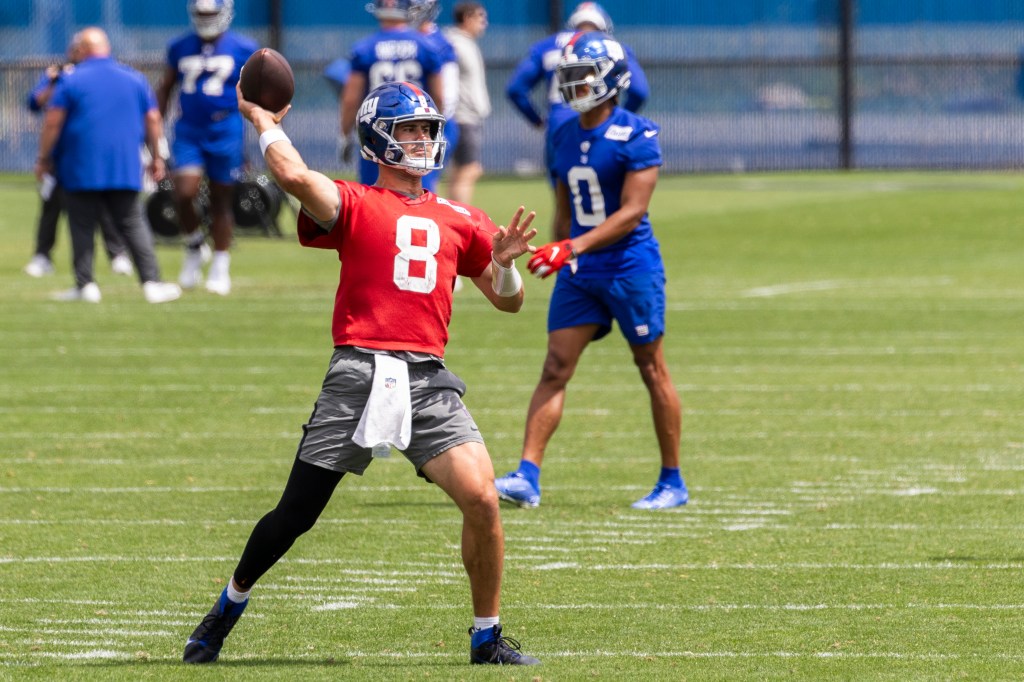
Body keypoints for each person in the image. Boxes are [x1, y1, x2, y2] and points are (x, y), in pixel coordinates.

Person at [182, 80, 540, 666]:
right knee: (295, 515)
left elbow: (510, 302)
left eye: (428, 128)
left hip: (427, 378)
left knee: (482, 498)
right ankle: (229, 603)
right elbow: (295, 178)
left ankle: (487, 637)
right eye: (409, 129)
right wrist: (261, 119)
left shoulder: (462, 215)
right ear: (378, 140)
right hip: (359, 369)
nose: (423, 139)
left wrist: (502, 266)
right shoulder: (352, 200)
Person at [494, 32, 688, 511]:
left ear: (613, 80)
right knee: (555, 367)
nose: (575, 86)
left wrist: (571, 246)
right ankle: (527, 475)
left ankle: (672, 481)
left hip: (629, 266)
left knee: (651, 367)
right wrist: (552, 248)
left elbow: (632, 212)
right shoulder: (562, 132)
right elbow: (563, 204)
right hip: (579, 270)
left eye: (585, 77)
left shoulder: (637, 133)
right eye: (570, 77)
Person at [34, 27, 181, 304]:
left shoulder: (71, 80)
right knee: (133, 222)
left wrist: (43, 158)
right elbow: (153, 120)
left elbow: (53, 121)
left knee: (81, 224)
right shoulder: (134, 77)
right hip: (124, 165)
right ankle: (152, 283)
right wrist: (157, 157)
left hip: (79, 164)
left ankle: (85, 285)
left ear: (82, 49)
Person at [156, 0, 257, 296]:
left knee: (221, 198)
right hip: (189, 129)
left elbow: (254, 91)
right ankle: (194, 245)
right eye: (201, 14)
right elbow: (166, 87)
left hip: (225, 128)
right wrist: (155, 127)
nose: (205, 19)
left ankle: (220, 264)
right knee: (184, 192)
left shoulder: (242, 46)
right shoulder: (180, 46)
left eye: (210, 13)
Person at [23, 34, 133, 280]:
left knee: (103, 204)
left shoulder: (106, 76)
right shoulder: (63, 76)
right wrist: (52, 82)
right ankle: (42, 256)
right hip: (64, 156)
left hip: (92, 153)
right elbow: (34, 103)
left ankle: (117, 255)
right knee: (52, 204)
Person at [505, 2, 649, 185]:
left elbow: (515, 89)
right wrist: (619, 118)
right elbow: (639, 91)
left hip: (559, 121)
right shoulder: (613, 46)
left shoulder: (546, 46)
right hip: (603, 121)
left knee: (565, 197)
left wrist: (538, 120)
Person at [339, 0, 445, 187]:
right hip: (416, 126)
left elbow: (351, 99)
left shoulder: (365, 48)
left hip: (378, 128)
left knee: (374, 198)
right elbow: (439, 95)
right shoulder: (426, 46)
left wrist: (345, 134)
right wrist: (434, 128)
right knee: (419, 194)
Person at [411, 0, 460, 195]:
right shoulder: (411, 39)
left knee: (421, 187)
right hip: (403, 124)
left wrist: (434, 124)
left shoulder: (438, 43)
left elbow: (446, 95)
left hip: (429, 123)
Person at [444, 1, 490, 205]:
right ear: (467, 18)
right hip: (462, 116)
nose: (484, 23)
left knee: (459, 171)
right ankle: (460, 220)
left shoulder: (464, 42)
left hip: (467, 116)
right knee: (470, 170)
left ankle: (451, 219)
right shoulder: (454, 43)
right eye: (481, 18)